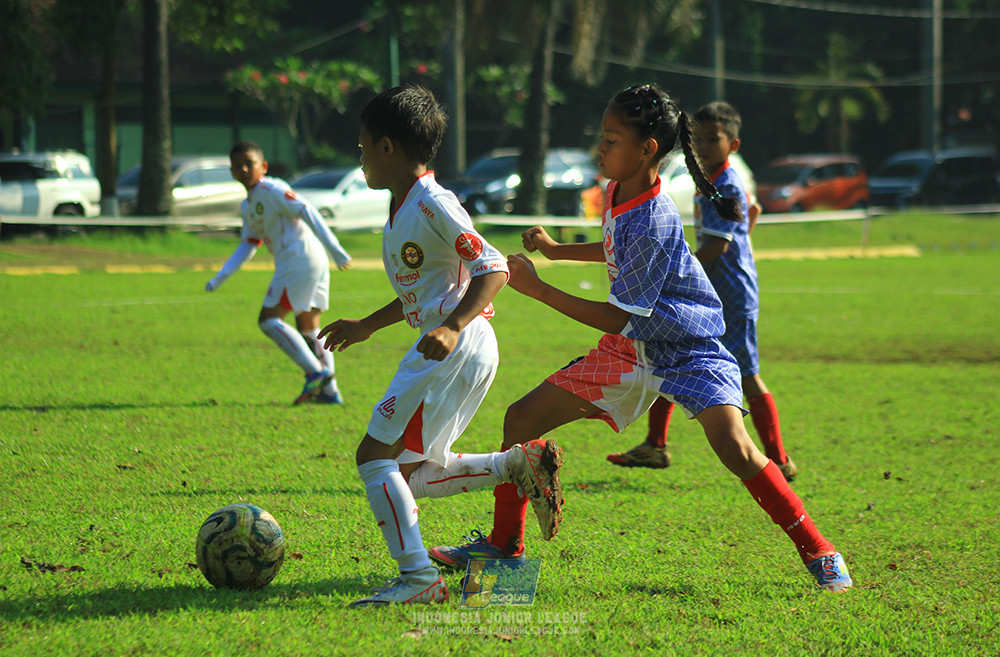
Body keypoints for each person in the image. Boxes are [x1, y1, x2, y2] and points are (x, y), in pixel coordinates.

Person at [430, 84, 852, 593]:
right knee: (520, 419)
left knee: (737, 449)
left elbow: (616, 316)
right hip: (632, 350)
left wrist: (539, 287)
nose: (599, 150)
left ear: (647, 149)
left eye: (610, 140)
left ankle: (820, 550)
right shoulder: (617, 191)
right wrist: (559, 251)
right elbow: (615, 250)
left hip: (688, 350)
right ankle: (503, 547)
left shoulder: (654, 218)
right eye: (601, 139)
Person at [317, 85, 563, 608]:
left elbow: (492, 267)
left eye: (362, 148)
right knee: (410, 474)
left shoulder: (431, 203)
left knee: (372, 457)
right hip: (459, 344)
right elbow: (424, 291)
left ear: (387, 148)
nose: (359, 159)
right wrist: (368, 324)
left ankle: (418, 578)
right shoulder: (405, 205)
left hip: (455, 345)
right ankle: (516, 465)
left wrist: (453, 325)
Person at [607, 102, 798, 482]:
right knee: (674, 361)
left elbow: (716, 247)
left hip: (731, 295)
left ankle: (779, 458)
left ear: (734, 144)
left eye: (715, 139)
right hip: (711, 294)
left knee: (747, 375)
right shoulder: (711, 181)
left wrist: (674, 266)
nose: (706, 146)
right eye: (699, 138)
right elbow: (753, 211)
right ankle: (655, 445)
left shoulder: (724, 183)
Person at [205, 140, 352, 405]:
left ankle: (315, 372)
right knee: (308, 327)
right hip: (309, 259)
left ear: (263, 166)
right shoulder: (248, 205)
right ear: (231, 171)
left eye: (249, 164)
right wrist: (220, 277)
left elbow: (306, 209)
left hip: (299, 258)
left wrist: (336, 249)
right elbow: (249, 244)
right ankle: (331, 392)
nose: (243, 169)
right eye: (237, 166)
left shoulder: (272, 189)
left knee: (268, 320)